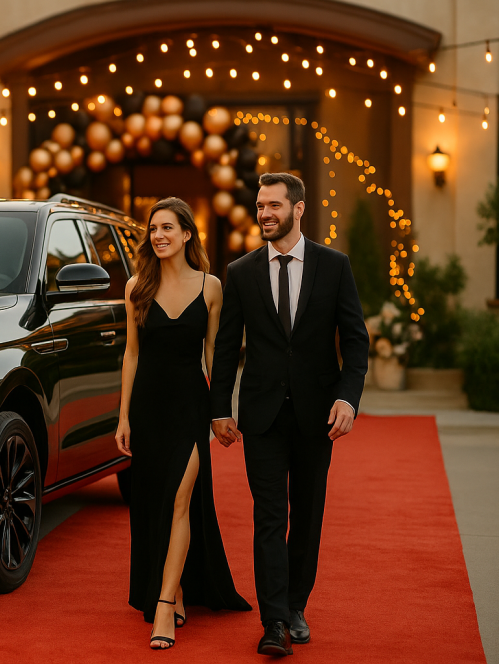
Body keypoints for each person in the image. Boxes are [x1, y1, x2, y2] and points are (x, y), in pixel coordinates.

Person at [210, 172, 369, 656]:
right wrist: (219, 406)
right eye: (260, 205)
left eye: (274, 206)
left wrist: (348, 397)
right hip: (260, 417)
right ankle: (274, 621)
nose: (265, 214)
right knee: (268, 517)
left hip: (316, 415)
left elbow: (356, 340)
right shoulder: (241, 271)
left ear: (299, 210)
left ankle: (296, 604)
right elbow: (225, 347)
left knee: (308, 516)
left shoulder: (334, 265)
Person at [116, 197, 251, 650]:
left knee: (179, 499)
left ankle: (162, 607)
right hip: (149, 408)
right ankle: (173, 592)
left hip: (190, 408)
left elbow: (215, 354)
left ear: (187, 234)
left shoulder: (211, 286)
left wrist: (222, 410)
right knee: (155, 503)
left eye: (168, 228)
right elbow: (131, 355)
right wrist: (123, 417)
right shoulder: (137, 285)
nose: (159, 235)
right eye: (154, 228)